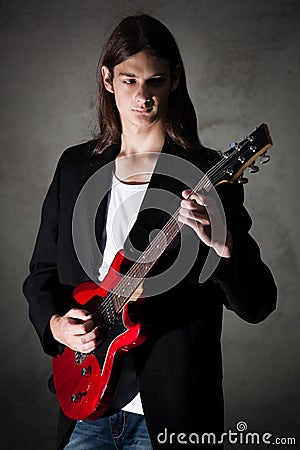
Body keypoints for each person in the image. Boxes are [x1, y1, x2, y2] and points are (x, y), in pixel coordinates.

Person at [23, 13, 277, 450]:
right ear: (107, 80)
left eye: (155, 81)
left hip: (172, 415)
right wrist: (56, 325)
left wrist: (224, 246)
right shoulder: (74, 168)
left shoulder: (204, 174)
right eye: (129, 80)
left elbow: (257, 303)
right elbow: (42, 275)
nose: (143, 96)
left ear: (174, 80)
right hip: (85, 404)